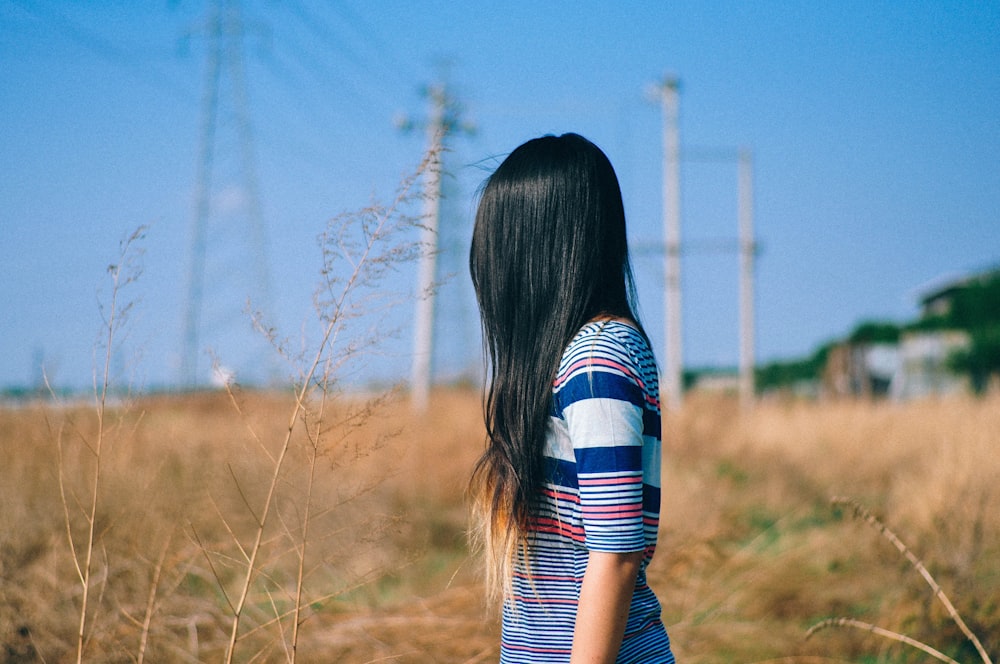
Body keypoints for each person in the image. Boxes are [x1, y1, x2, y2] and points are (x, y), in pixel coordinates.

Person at [468, 133, 675, 663]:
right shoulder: (577, 357)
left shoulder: (596, 357)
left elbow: (616, 554)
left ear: (535, 250)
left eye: (496, 242)